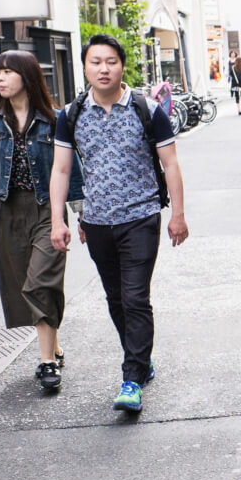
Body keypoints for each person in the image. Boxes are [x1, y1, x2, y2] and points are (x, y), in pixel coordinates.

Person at [48, 33, 189, 413]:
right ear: (85, 67)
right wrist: (57, 219)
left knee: (135, 296)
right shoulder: (70, 115)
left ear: (122, 65)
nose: (104, 68)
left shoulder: (146, 108)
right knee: (115, 299)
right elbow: (61, 169)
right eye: (96, 62)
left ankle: (131, 379)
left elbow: (170, 163)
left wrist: (177, 214)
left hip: (141, 217)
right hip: (96, 223)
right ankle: (140, 357)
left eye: (111, 61)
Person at [0, 50, 84, 391]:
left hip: (46, 210)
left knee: (41, 283)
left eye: (7, 72)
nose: (0, 78)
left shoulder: (54, 120)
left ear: (27, 76)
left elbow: (71, 169)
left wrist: (81, 216)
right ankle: (55, 345)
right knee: (23, 285)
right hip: (10, 213)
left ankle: (47, 363)